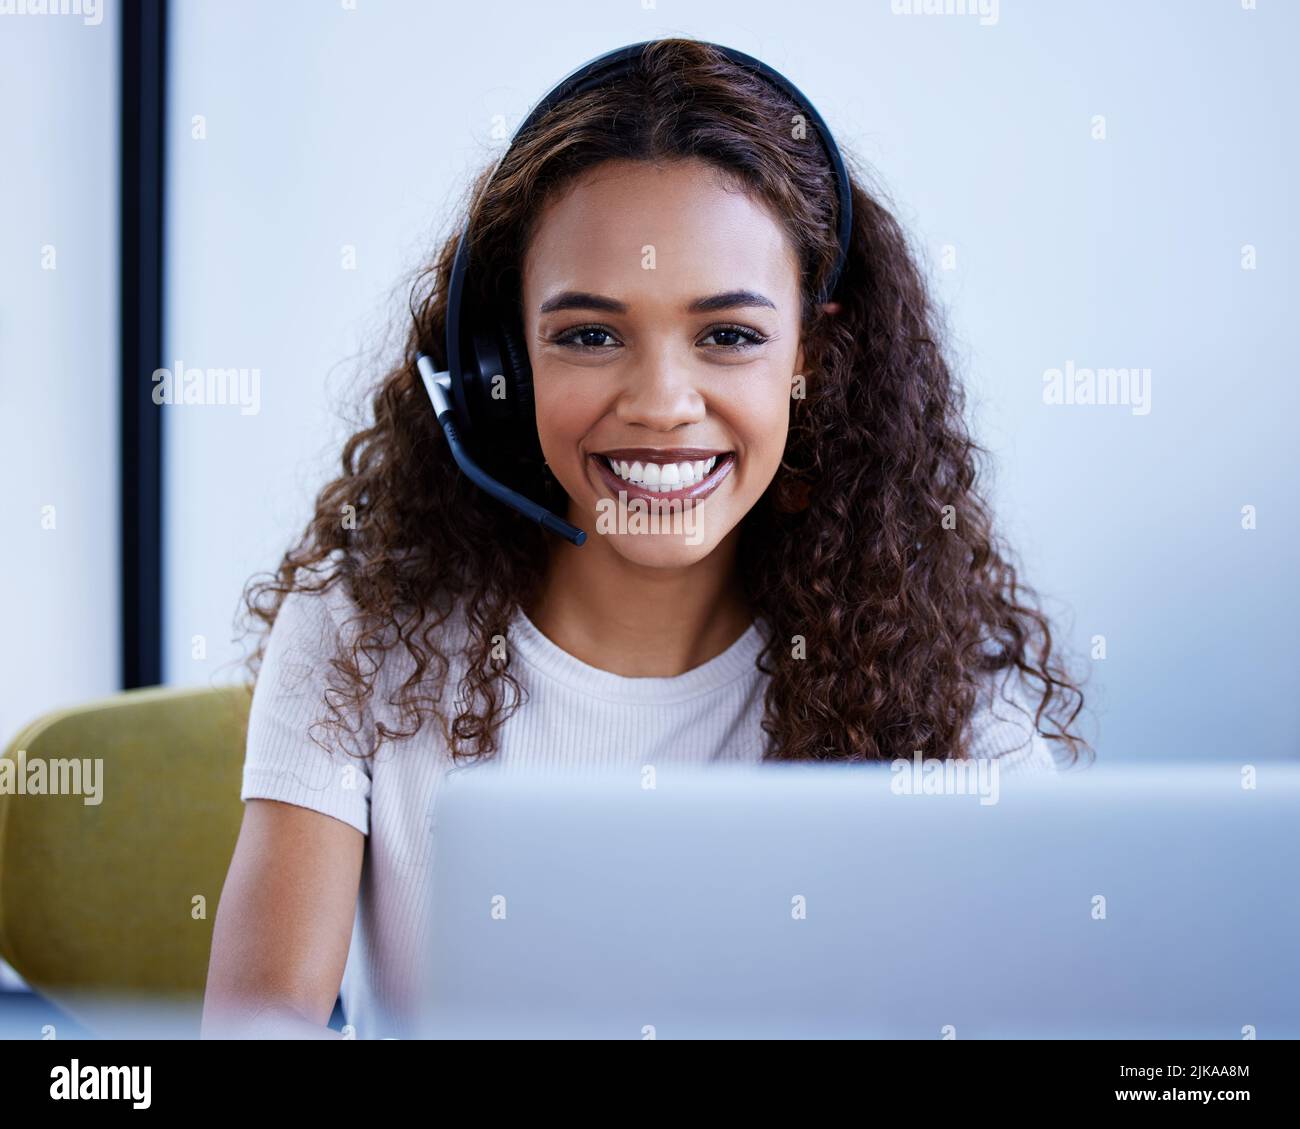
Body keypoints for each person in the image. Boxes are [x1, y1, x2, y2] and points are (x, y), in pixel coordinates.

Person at [202, 37, 1089, 1041]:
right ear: (504, 359)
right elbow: (260, 1016)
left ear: (813, 356)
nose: (663, 404)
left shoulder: (932, 681)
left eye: (729, 335)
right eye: (589, 334)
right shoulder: (363, 634)